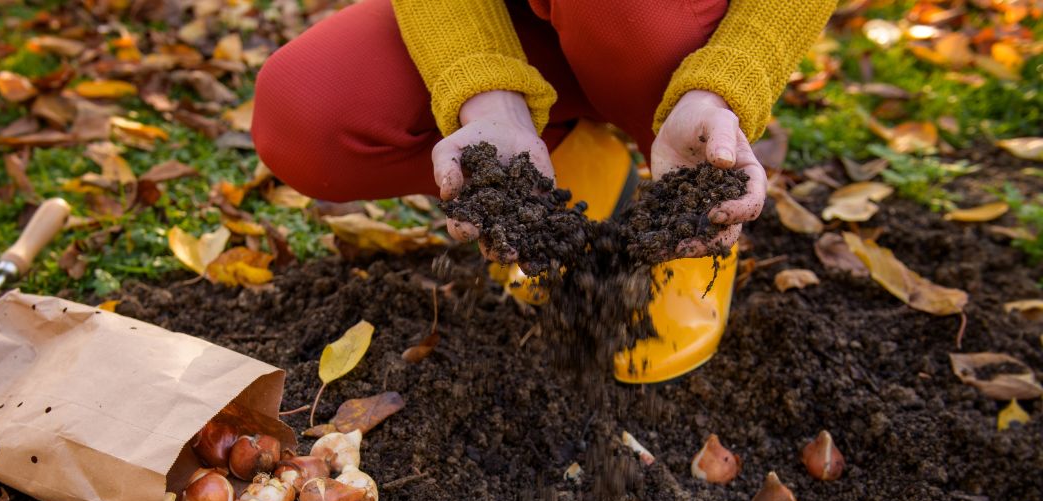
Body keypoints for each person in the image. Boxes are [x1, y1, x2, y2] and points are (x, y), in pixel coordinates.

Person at [252, 0, 835, 383]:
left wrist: (727, 85)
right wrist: (487, 91)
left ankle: (684, 206)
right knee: (306, 115)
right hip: (509, 17)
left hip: (664, 25)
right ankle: (572, 161)